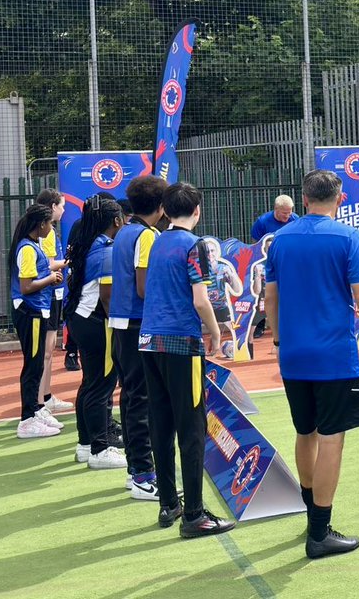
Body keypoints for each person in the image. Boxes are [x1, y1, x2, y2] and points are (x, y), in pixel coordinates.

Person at [265, 169, 359, 558]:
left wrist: (276, 339)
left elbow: (270, 297)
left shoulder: (280, 240)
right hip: (333, 356)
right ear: (339, 199)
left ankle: (312, 516)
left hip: (293, 353)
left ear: (303, 200)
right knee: (332, 437)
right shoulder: (347, 236)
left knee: (305, 432)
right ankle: (319, 532)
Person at [140, 182, 235, 538]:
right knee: (192, 428)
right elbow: (200, 299)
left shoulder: (158, 240)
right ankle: (194, 515)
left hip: (150, 342)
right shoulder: (195, 246)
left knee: (160, 423)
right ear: (197, 211)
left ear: (164, 210)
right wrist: (216, 331)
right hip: (181, 342)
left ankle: (169, 503)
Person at [110, 174, 168, 499]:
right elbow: (145, 287)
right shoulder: (146, 236)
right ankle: (144, 475)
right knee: (141, 400)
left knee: (131, 396)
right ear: (161, 207)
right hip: (136, 324)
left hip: (121, 324)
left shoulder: (124, 232)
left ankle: (137, 471)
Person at [65, 194, 127, 469]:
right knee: (101, 386)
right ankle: (100, 449)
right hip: (96, 323)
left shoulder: (90, 244)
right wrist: (120, 327)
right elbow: (108, 296)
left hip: (81, 320)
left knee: (90, 384)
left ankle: (86, 445)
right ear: (116, 220)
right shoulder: (107, 250)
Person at [10, 203, 67, 438]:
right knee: (32, 365)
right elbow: (26, 286)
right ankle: (27, 419)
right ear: (40, 224)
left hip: (38, 310)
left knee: (36, 364)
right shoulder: (27, 249)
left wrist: (48, 277)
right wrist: (50, 278)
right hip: (30, 311)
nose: (51, 227)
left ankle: (35, 410)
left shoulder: (33, 246)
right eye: (49, 223)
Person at [35, 189, 72, 416]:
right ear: (52, 207)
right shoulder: (46, 233)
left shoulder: (49, 232)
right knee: (45, 352)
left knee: (49, 351)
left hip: (54, 293)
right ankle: (40, 403)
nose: (63, 210)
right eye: (61, 206)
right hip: (48, 294)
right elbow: (48, 264)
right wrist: (68, 261)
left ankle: (46, 397)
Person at [200, 238, 243, 360]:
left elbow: (237, 288)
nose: (210, 254)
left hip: (222, 307)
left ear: (217, 252)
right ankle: (203, 352)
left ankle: (239, 348)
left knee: (235, 327)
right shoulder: (197, 270)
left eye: (212, 250)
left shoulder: (223, 268)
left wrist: (231, 276)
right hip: (204, 308)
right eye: (206, 251)